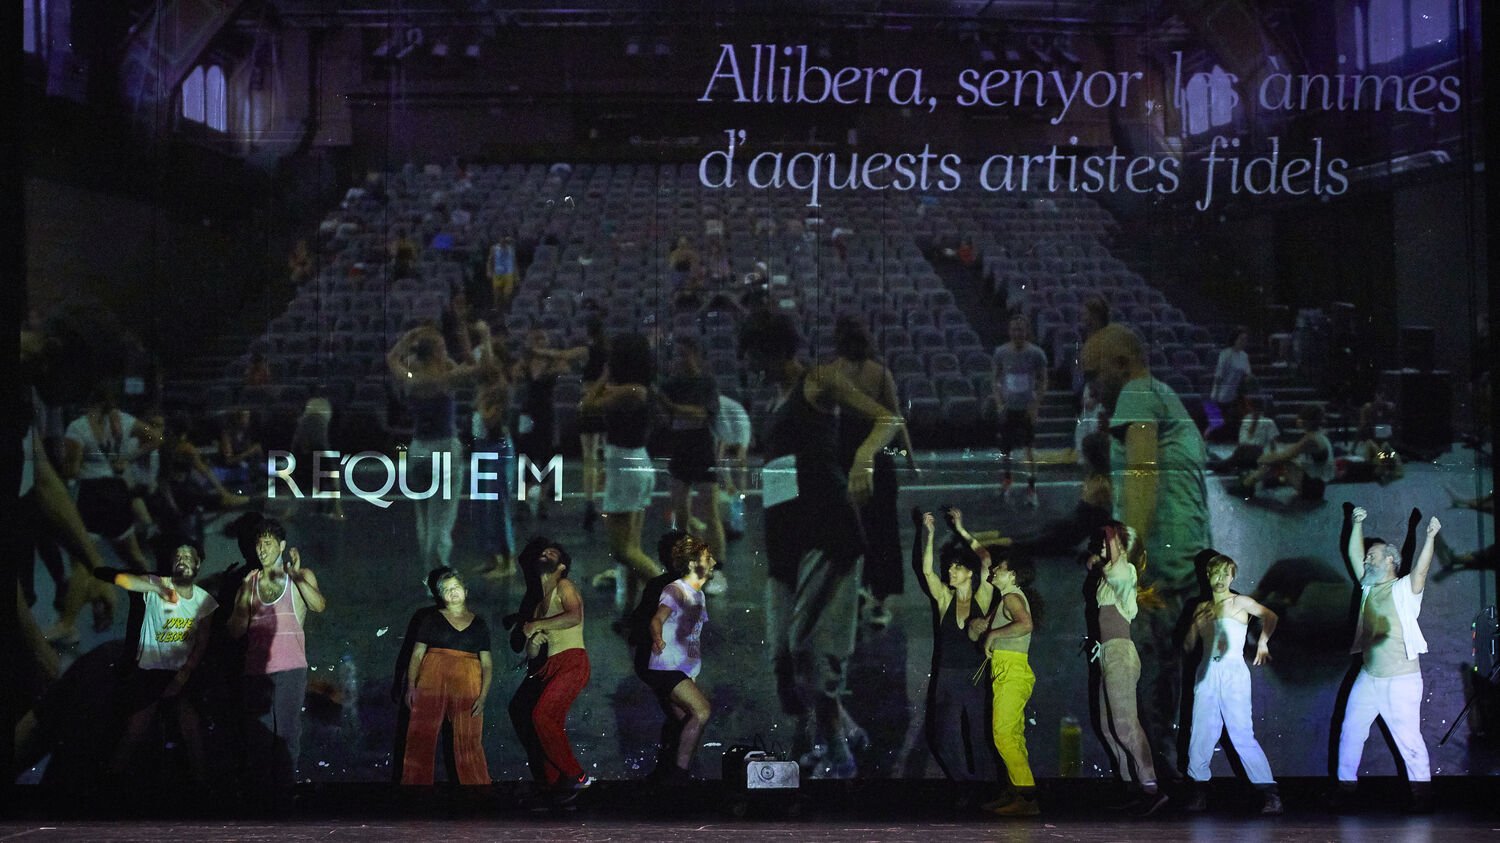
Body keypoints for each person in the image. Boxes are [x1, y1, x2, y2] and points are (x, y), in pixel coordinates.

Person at [738, 310, 903, 779]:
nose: (749, 365)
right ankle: (842, 732)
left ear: (772, 349)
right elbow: (779, 474)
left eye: (753, 355)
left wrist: (865, 458)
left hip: (827, 531)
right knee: (783, 657)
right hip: (785, 535)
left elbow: (888, 418)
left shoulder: (819, 381)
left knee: (807, 647)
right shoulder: (776, 397)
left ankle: (839, 755)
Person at [1080, 323, 1212, 776]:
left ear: (1121, 365)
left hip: (1159, 572)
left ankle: (1159, 794)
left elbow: (1141, 476)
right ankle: (1172, 789)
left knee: (1147, 699)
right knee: (1166, 693)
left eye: (1095, 374)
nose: (1092, 388)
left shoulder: (1137, 393)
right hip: (1184, 568)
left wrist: (1126, 565)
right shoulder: (1162, 396)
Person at [1334, 506, 1441, 812]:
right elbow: (1355, 556)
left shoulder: (1403, 589)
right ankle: (1346, 791)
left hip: (1401, 678)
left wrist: (1429, 536)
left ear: (1391, 561)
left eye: (1374, 556)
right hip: (1369, 677)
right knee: (1351, 731)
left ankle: (1422, 797)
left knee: (1408, 740)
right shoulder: (1368, 588)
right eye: (1368, 556)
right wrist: (1356, 524)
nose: (1367, 559)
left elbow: (1420, 571)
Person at [97, 543, 217, 784]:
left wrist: (184, 675)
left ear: (197, 564)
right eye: (178, 556)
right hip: (150, 671)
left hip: (182, 673)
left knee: (191, 728)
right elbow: (120, 579)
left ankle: (203, 790)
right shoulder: (156, 583)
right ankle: (109, 785)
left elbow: (203, 641)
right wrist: (154, 587)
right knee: (134, 730)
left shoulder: (205, 600)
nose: (182, 559)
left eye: (187, 556)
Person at [226, 517, 327, 797]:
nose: (262, 550)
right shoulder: (250, 581)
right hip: (256, 670)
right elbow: (235, 631)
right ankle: (261, 796)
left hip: (290, 668)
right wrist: (239, 600)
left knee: (286, 734)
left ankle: (284, 794)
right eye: (258, 545)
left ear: (281, 545)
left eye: (268, 543)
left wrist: (295, 576)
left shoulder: (300, 575)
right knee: (258, 737)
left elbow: (318, 605)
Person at [831, 315, 918, 628]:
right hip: (874, 453)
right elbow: (895, 419)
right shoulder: (879, 373)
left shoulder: (835, 372)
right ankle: (876, 602)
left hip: (847, 453)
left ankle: (858, 598)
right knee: (881, 530)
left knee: (853, 529)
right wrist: (910, 460)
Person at [387, 322, 496, 569]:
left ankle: (432, 570)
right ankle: (437, 571)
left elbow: (392, 358)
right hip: (444, 450)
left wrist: (407, 336)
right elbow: (486, 369)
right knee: (442, 518)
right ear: (436, 352)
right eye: (442, 347)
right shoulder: (445, 378)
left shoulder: (411, 378)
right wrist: (485, 336)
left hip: (417, 451)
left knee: (424, 518)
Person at [1181, 554, 1281, 814]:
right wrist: (1194, 626)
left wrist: (1262, 641)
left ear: (1233, 576)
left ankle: (1269, 794)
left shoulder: (1240, 602)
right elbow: (1188, 647)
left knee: (1241, 734)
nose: (1221, 578)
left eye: (1226, 574)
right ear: (1208, 576)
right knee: (1201, 734)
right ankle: (1198, 791)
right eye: (1216, 573)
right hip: (1206, 674)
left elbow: (1270, 616)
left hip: (1233, 673)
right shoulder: (1201, 608)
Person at [1084, 522, 1166, 816]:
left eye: (1109, 544)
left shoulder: (1126, 571)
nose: (1104, 548)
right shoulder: (1109, 576)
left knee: (1126, 726)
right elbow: (1101, 565)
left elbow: (1114, 567)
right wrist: (1097, 558)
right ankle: (1131, 786)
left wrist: (1110, 532)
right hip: (1106, 653)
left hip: (1120, 653)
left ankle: (1151, 788)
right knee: (1108, 728)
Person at [582, 333, 663, 616]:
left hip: (627, 468)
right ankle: (632, 610)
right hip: (633, 465)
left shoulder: (632, 391)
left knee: (622, 551)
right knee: (632, 547)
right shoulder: (639, 389)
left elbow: (587, 404)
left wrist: (605, 375)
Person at [509, 539, 593, 806]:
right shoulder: (538, 605)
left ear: (562, 566)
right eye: (543, 552)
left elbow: (573, 616)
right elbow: (533, 653)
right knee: (544, 723)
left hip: (572, 662)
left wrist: (535, 625)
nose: (546, 554)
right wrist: (533, 644)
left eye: (552, 553)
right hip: (551, 666)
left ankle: (576, 775)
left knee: (542, 716)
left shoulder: (564, 586)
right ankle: (556, 784)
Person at [916, 510, 995, 782]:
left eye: (955, 568)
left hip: (974, 676)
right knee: (941, 738)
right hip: (947, 676)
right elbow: (926, 571)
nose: (949, 571)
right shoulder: (944, 599)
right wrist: (931, 534)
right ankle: (965, 783)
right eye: (949, 568)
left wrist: (961, 529)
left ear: (969, 573)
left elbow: (986, 559)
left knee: (979, 736)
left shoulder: (982, 597)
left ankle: (986, 788)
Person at [401, 567, 492, 786]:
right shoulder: (430, 619)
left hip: (469, 681)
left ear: (465, 591)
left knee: (469, 740)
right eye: (447, 589)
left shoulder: (479, 623)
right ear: (441, 596)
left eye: (456, 587)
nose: (453, 592)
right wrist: (411, 686)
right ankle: (416, 791)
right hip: (432, 679)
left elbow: (487, 663)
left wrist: (483, 695)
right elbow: (416, 655)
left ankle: (478, 792)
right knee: (421, 736)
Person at [639, 534, 718, 782]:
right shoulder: (675, 589)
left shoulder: (698, 595)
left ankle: (669, 777)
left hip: (681, 669)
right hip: (666, 666)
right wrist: (658, 639)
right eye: (709, 558)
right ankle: (679, 776)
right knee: (702, 711)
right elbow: (656, 620)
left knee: (685, 721)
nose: (714, 562)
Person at [971, 551, 1039, 816]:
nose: (995, 570)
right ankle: (1014, 792)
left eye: (1000, 567)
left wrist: (991, 636)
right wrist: (981, 627)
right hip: (1006, 669)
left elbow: (1025, 624)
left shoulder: (1012, 596)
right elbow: (981, 627)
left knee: (1002, 734)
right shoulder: (1004, 601)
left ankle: (1027, 796)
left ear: (1012, 574)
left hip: (1012, 669)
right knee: (1012, 735)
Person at [658, 337, 727, 572]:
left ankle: (717, 568)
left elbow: (700, 415)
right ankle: (683, 563)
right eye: (676, 355)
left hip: (701, 445)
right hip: (679, 446)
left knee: (710, 511)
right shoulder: (670, 384)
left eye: (683, 354)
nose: (679, 360)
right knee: (680, 511)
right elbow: (665, 418)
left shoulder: (706, 383)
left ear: (696, 356)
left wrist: (672, 406)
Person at [991, 315, 1048, 507]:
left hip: (1026, 410)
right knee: (1005, 450)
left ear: (1026, 332)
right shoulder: (1000, 352)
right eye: (1014, 329)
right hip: (1008, 409)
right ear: (1009, 331)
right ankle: (1007, 479)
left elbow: (1043, 381)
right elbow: (995, 379)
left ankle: (1031, 488)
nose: (1017, 333)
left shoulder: (1036, 354)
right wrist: (999, 403)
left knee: (1029, 449)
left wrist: (1035, 405)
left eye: (1021, 330)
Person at [1239, 404, 1335, 501]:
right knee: (1280, 460)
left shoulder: (1310, 439)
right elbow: (1293, 451)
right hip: (1318, 486)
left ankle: (1246, 485)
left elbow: (1284, 456)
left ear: (1304, 420)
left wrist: (1262, 459)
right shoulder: (1320, 435)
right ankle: (1250, 483)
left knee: (1278, 461)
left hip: (1312, 488)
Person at [578, 316, 609, 533]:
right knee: (600, 452)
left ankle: (590, 501)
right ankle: (599, 500)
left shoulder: (587, 351)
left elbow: (564, 355)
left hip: (588, 399)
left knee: (588, 455)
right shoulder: (607, 352)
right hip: (603, 400)